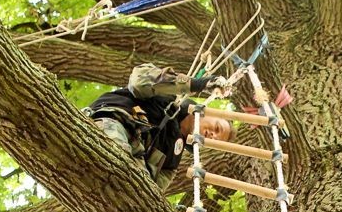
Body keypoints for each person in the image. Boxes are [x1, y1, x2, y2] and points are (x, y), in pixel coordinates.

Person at [84, 63, 234, 189]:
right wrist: (197, 84)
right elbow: (138, 81)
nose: (212, 135)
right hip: (111, 124)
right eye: (217, 128)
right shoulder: (166, 95)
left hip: (121, 169)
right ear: (209, 113)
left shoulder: (171, 163)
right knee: (118, 159)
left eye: (215, 141)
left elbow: (149, 192)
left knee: (131, 184)